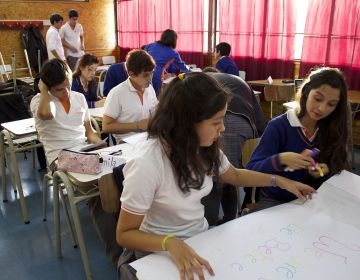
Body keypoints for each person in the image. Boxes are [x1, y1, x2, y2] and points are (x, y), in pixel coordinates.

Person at [115, 72, 315, 279]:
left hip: (199, 237)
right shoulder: (148, 163)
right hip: (158, 251)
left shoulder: (201, 148)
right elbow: (124, 235)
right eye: (216, 122)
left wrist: (280, 181)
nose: (223, 128)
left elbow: (235, 176)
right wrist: (169, 242)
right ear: (187, 122)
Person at [247, 67, 350, 210]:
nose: (322, 108)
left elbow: (337, 167)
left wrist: (323, 171)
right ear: (307, 92)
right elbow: (251, 169)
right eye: (318, 98)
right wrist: (280, 159)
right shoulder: (279, 126)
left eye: (331, 104)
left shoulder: (330, 129)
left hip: (310, 198)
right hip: (276, 200)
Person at [202, 68, 266, 224]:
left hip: (224, 117)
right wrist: (259, 138)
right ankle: (226, 219)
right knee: (224, 176)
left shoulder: (202, 82)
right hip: (242, 122)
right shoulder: (238, 80)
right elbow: (258, 114)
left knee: (222, 177)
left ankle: (221, 220)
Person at [30, 58, 101, 168]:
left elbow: (89, 132)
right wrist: (43, 90)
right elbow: (47, 114)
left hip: (84, 150)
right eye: (59, 89)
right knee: (96, 170)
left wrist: (99, 143)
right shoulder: (39, 100)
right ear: (47, 86)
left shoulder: (79, 97)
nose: (66, 92)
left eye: (69, 85)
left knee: (113, 167)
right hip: (59, 156)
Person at [102, 49, 158, 144]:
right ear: (131, 74)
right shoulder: (117, 93)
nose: (150, 78)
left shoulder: (150, 89)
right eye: (145, 75)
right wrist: (137, 125)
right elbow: (106, 127)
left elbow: (155, 114)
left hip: (148, 139)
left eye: (152, 73)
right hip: (127, 142)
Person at [144, 29, 190, 95]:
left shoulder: (150, 45)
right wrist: (192, 71)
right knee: (156, 95)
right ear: (174, 40)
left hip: (143, 72)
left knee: (145, 93)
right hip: (157, 74)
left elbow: (142, 56)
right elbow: (182, 66)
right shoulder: (173, 52)